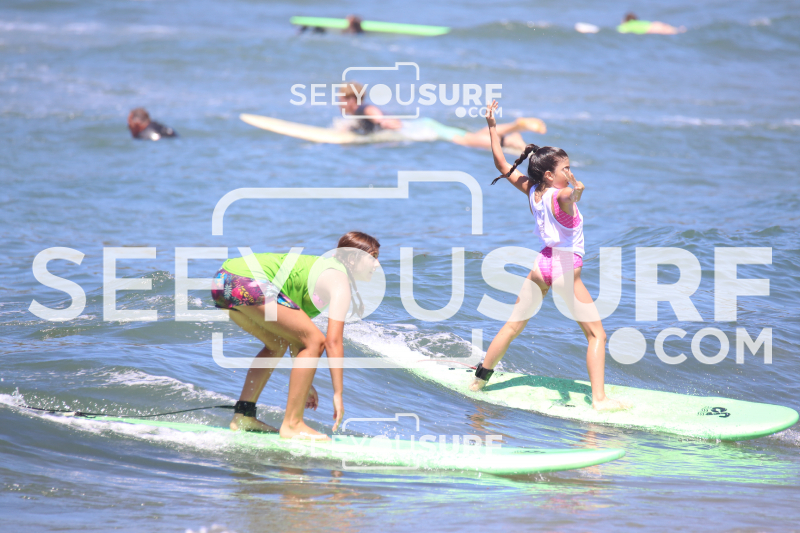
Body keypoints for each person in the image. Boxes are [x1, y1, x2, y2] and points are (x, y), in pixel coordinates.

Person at [469, 100, 628, 412]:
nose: (569, 171)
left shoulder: (533, 190)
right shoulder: (561, 195)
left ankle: (479, 381)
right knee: (597, 335)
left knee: (513, 325)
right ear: (548, 174)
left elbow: (501, 165)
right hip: (565, 266)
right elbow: (571, 195)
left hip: (542, 263)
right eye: (564, 168)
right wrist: (577, 189)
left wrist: (492, 126)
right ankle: (599, 400)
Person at [210, 232, 381, 439]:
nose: (377, 265)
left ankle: (243, 416)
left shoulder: (322, 272)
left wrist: (306, 385)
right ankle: (292, 424)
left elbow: (297, 338)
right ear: (353, 259)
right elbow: (332, 342)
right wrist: (338, 393)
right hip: (245, 281)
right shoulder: (338, 279)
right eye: (372, 257)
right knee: (316, 340)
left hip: (223, 281)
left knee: (277, 344)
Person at [336, 82, 547, 151]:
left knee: (467, 140)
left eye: (341, 99)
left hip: (421, 129)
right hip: (424, 125)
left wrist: (387, 124)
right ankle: (512, 132)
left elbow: (379, 118)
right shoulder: (360, 112)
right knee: (470, 135)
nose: (339, 104)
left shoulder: (364, 109)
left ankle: (512, 136)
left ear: (352, 99)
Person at [617, 13, 685, 35]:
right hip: (655, 24)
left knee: (672, 32)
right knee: (676, 30)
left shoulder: (627, 25)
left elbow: (620, 30)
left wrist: (622, 23)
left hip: (651, 28)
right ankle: (680, 29)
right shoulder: (638, 23)